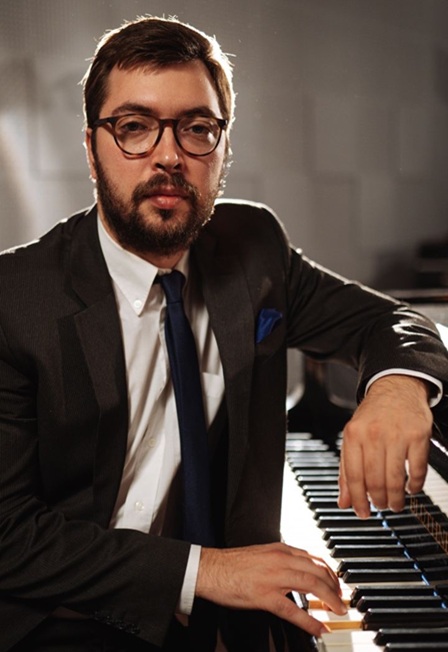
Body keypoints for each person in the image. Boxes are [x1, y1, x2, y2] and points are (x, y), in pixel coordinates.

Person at [0, 15, 447, 652]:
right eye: (134, 127)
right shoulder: (15, 299)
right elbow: (9, 534)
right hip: (61, 616)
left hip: (220, 620)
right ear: (92, 148)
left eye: (197, 128)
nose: (169, 156)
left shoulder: (253, 248)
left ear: (224, 147)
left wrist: (398, 387)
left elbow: (389, 320)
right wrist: (205, 572)